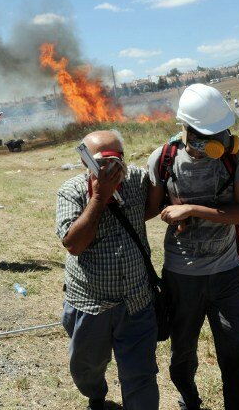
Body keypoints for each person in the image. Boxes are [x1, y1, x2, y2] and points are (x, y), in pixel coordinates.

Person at [147, 84, 239, 410]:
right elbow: (150, 210)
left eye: (222, 132)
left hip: (226, 274)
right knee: (182, 353)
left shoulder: (238, 152)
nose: (217, 141)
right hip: (182, 277)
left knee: (235, 353)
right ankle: (190, 400)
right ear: (186, 129)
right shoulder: (164, 159)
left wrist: (191, 209)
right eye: (207, 134)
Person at [56, 130, 162, 410]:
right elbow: (74, 245)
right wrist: (99, 198)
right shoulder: (72, 191)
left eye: (117, 159)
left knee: (140, 374)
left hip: (136, 301)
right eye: (101, 161)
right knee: (86, 368)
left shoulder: (137, 180)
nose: (111, 168)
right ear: (86, 162)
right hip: (90, 305)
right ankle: (96, 395)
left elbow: (155, 202)